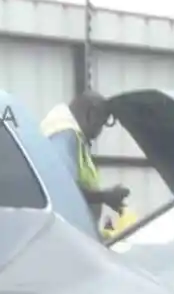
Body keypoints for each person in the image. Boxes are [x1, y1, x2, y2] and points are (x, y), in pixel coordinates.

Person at [40, 90, 130, 233]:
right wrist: (104, 197)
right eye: (100, 123)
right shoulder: (64, 136)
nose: (99, 131)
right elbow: (64, 187)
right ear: (90, 114)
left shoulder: (72, 137)